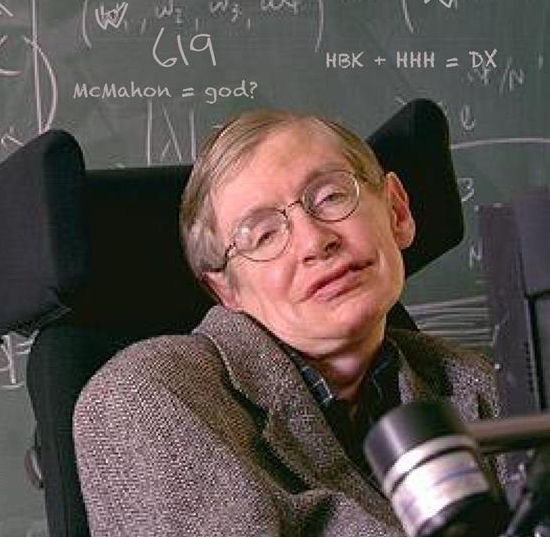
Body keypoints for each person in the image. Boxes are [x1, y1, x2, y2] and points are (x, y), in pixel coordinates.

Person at [72, 109, 502, 536]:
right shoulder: (145, 398)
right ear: (226, 291)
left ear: (397, 211)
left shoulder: (479, 385)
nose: (315, 241)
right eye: (264, 235)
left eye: (331, 197)